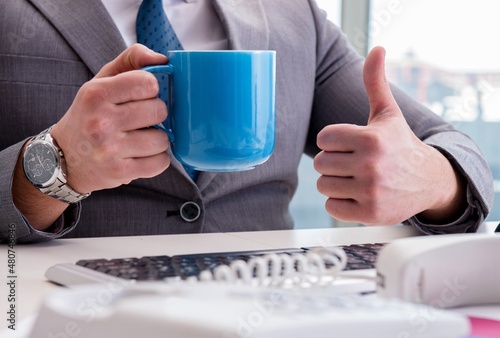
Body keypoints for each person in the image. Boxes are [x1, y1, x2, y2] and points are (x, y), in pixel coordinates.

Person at [0, 0, 493, 243]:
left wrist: (429, 180)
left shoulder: (294, 15)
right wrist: (55, 165)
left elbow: (449, 148)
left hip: (270, 303)